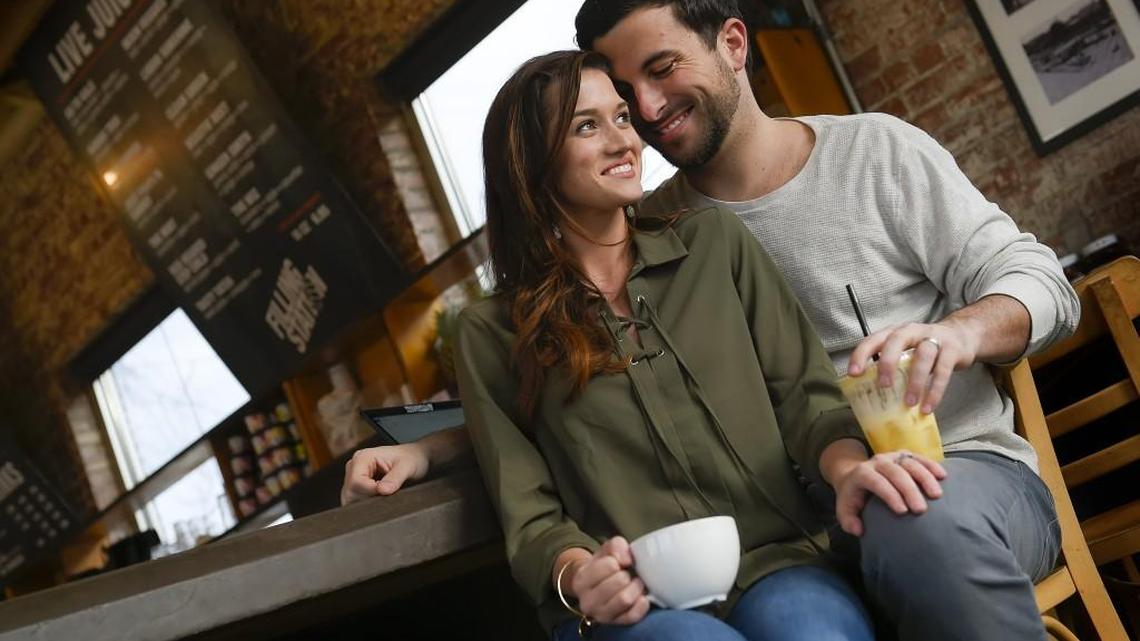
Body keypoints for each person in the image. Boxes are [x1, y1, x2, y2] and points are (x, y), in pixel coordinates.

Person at [343, 2, 1080, 639]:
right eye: (621, 99)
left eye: (660, 70)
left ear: (732, 44)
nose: (644, 114)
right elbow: (562, 405)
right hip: (812, 528)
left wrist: (959, 334)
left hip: (945, 479)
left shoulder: (870, 155)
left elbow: (1041, 282)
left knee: (905, 529)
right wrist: (432, 450)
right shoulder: (662, 227)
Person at [451, 49, 942, 641]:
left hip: (778, 562)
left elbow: (808, 400)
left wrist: (849, 471)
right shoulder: (490, 334)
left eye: (622, 118)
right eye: (586, 126)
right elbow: (530, 518)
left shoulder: (715, 245)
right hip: (634, 606)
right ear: (531, 164)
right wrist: (582, 577)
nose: (622, 141)